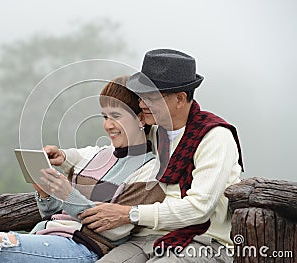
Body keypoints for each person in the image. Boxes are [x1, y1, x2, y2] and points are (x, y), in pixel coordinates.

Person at [48, 49, 244, 262]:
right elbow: (108, 153)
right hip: (145, 237)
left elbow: (199, 208)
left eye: (151, 97)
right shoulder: (154, 131)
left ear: (179, 99)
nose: (141, 104)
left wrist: (128, 214)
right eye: (141, 96)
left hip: (202, 240)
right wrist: (64, 158)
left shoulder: (214, 137)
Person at [0, 76, 165, 262]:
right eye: (104, 116)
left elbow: (117, 230)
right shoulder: (96, 155)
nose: (108, 125)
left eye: (116, 116)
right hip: (49, 237)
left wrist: (68, 194)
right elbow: (55, 214)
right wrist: (46, 195)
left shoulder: (149, 170)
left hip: (85, 249)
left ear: (140, 118)